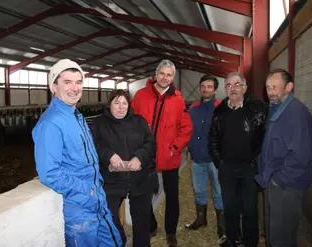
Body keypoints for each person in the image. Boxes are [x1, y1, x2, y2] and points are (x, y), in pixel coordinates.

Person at [32, 59, 122, 247]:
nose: (74, 88)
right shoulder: (51, 123)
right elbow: (50, 173)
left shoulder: (76, 116)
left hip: (97, 202)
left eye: (78, 82)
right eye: (67, 82)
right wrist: (87, 191)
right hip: (80, 210)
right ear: (54, 86)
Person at [132, 59, 193, 247]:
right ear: (155, 74)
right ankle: (151, 226)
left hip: (169, 156)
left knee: (172, 196)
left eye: (169, 75)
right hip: (145, 155)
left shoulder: (178, 98)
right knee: (143, 193)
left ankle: (170, 232)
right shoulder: (141, 95)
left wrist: (174, 148)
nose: (165, 78)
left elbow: (186, 128)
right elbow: (132, 122)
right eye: (162, 73)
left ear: (172, 77)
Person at [255, 68, 312, 247]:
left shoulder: (296, 113)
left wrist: (278, 180)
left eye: (275, 87)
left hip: (286, 186)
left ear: (288, 87)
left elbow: (301, 156)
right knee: (273, 234)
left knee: (282, 238)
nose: (270, 92)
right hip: (274, 182)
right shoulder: (276, 109)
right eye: (268, 87)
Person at [91, 89, 158, 247]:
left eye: (124, 103)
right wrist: (109, 155)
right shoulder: (99, 123)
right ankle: (120, 241)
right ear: (109, 104)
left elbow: (151, 143)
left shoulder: (139, 121)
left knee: (141, 221)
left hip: (140, 178)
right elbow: (93, 145)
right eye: (116, 103)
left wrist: (139, 157)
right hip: (112, 179)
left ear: (129, 105)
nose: (120, 107)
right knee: (110, 216)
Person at [208, 72, 267, 247]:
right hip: (227, 168)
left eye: (237, 84)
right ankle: (233, 240)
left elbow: (265, 137)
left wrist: (256, 161)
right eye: (228, 85)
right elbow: (212, 140)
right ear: (224, 89)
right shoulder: (219, 112)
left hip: (249, 167)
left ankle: (250, 243)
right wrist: (221, 163)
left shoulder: (258, 108)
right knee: (231, 208)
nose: (232, 89)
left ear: (245, 87)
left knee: (249, 208)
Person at [185, 74, 226, 242]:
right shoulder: (193, 108)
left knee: (219, 192)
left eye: (209, 86)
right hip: (197, 158)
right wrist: (189, 147)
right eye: (203, 86)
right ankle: (201, 219)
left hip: (215, 160)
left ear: (215, 89)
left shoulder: (222, 108)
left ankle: (222, 227)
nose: (205, 89)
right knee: (199, 191)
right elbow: (187, 129)